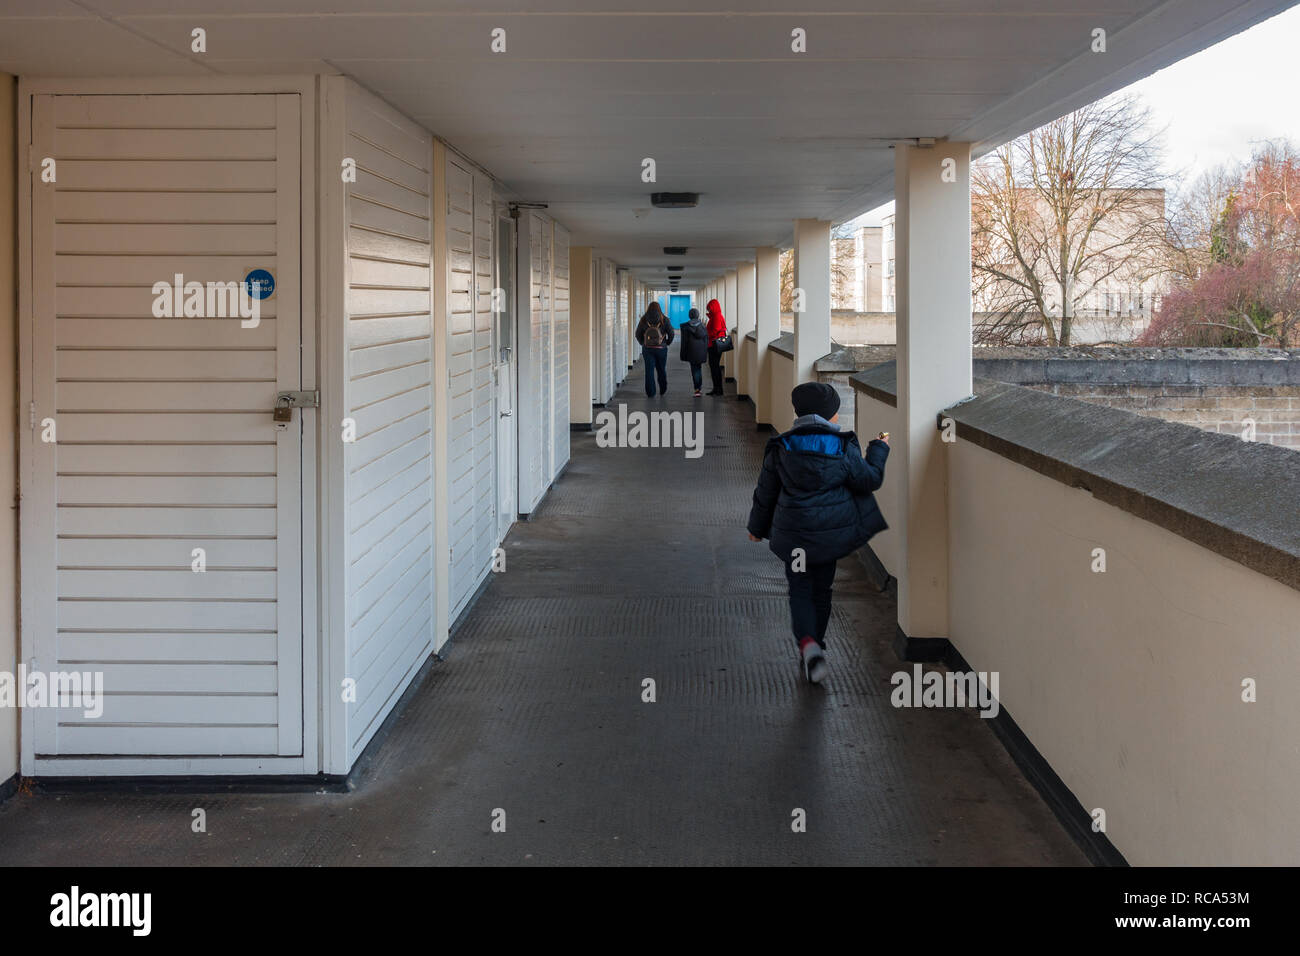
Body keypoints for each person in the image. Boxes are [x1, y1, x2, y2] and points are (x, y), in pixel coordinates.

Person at [745, 382, 890, 685]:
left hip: (794, 536)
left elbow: (766, 492)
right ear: (829, 415)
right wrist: (878, 449)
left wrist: (757, 528)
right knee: (822, 591)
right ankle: (818, 646)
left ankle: (807, 643)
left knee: (799, 589)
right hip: (827, 537)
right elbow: (869, 481)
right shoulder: (842, 446)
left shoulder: (781, 446)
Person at [635, 301, 674, 397]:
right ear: (659, 308)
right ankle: (663, 388)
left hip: (648, 349)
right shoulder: (664, 319)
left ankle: (651, 392)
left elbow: (637, 334)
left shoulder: (644, 319)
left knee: (649, 371)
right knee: (661, 369)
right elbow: (671, 333)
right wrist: (667, 343)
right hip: (661, 349)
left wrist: (643, 343)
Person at [678, 307, 708, 396]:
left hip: (691, 351)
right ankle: (698, 387)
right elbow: (706, 340)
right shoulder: (703, 326)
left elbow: (684, 342)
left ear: (689, 316)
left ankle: (697, 389)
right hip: (701, 351)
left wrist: (683, 354)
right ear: (698, 315)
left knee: (694, 369)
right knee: (698, 369)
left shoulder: (685, 327)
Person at [704, 298, 727, 395]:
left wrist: (706, 334)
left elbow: (716, 330)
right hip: (713, 344)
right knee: (714, 367)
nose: (708, 310)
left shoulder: (717, 316)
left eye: (709, 309)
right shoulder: (716, 316)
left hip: (715, 345)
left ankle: (718, 389)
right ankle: (716, 388)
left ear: (713, 308)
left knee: (714, 367)